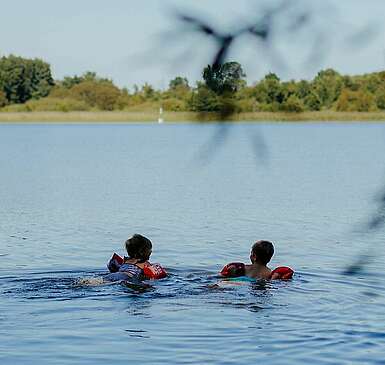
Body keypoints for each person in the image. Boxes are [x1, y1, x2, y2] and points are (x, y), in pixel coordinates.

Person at [220, 240, 293, 280]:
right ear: (270, 258)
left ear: (254, 256)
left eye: (251, 253)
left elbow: (220, 276)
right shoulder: (271, 275)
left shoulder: (238, 269)